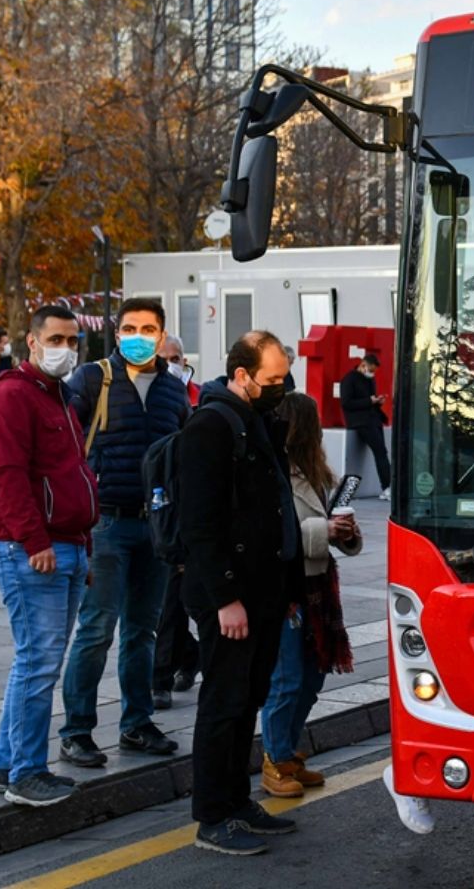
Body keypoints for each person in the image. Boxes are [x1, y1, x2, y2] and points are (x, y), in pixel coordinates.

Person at [175, 331, 303, 855]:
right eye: (272, 379)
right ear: (242, 374)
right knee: (224, 702)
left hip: (265, 591)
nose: (281, 388)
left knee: (249, 697)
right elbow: (200, 525)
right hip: (229, 597)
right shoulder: (209, 426)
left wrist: (288, 588)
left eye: (283, 378)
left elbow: (276, 508)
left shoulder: (258, 420)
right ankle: (212, 815)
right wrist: (226, 597)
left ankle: (237, 800)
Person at [57, 299, 191, 768]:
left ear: (161, 334)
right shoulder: (92, 379)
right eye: (130, 328)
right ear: (116, 334)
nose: (138, 335)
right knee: (96, 630)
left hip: (154, 526)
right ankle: (76, 731)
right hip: (107, 525)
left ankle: (137, 723)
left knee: (143, 631)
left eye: (148, 328)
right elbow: (61, 440)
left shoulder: (176, 391)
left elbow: (184, 460)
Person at [0, 305, 97, 807]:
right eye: (55, 339)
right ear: (31, 341)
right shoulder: (12, 396)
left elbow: (72, 473)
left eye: (72, 341)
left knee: (37, 661)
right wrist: (36, 543)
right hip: (30, 548)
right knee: (38, 662)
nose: (64, 349)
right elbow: (6, 478)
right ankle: (26, 772)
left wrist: (80, 546)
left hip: (66, 546)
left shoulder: (58, 398)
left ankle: (9, 767)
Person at [260, 392, 362, 798]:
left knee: (314, 675)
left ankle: (287, 751)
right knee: (286, 678)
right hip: (286, 586)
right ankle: (274, 759)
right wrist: (325, 532)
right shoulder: (272, 471)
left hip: (318, 584)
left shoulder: (318, 471)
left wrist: (348, 535)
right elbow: (269, 534)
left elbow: (338, 532)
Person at [153, 339, 201, 711]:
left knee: (174, 603)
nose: (171, 365)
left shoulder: (198, 398)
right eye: (164, 360)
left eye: (176, 359)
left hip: (182, 513)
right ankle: (189, 656)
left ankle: (160, 678)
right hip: (151, 506)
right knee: (159, 606)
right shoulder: (148, 398)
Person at [339, 353, 392, 501]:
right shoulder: (349, 379)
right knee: (380, 451)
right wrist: (369, 401)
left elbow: (369, 399)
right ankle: (386, 486)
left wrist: (377, 402)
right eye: (371, 369)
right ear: (363, 365)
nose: (372, 373)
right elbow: (346, 403)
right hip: (360, 421)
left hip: (373, 420)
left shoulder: (370, 380)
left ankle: (388, 485)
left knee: (382, 451)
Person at [161, 335, 201, 406]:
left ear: (184, 362)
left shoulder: (202, 397)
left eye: (175, 359)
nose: (169, 366)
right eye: (162, 361)